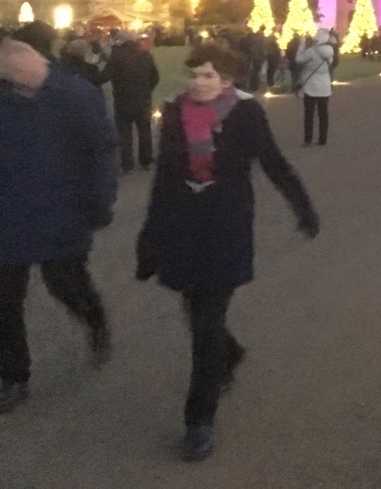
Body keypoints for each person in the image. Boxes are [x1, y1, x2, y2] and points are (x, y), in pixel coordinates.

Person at [135, 43, 319, 461]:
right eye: (194, 74)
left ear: (227, 79)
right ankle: (229, 353)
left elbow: (273, 162)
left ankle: (199, 420)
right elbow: (164, 177)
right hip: (183, 227)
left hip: (225, 226)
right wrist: (149, 238)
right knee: (195, 312)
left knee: (205, 324)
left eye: (208, 75)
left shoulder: (245, 113)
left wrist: (302, 206)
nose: (199, 82)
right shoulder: (174, 112)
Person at [0, 36, 118, 414]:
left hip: (61, 214)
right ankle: (13, 374)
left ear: (24, 64)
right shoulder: (6, 99)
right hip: (9, 216)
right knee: (4, 300)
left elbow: (101, 152)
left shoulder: (75, 96)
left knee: (66, 285)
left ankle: (94, 321)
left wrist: (100, 202)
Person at [99, 29, 160, 172]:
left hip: (122, 99)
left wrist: (90, 78)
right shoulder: (145, 54)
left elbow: (105, 76)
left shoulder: (117, 56)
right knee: (144, 131)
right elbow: (155, 77)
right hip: (143, 99)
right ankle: (146, 161)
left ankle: (127, 164)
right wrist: (147, 90)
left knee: (124, 133)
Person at [294, 29, 335, 146]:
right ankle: (323, 139)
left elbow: (298, 59)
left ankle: (308, 139)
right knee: (323, 114)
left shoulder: (311, 51)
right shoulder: (330, 51)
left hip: (311, 84)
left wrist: (302, 44)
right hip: (325, 84)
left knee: (309, 114)